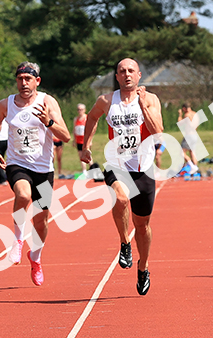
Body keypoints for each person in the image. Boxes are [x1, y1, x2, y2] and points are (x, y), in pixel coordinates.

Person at [80, 58, 163, 295]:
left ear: (138, 75)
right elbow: (92, 117)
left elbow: (158, 133)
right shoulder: (106, 101)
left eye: (131, 71)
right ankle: (124, 242)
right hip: (117, 165)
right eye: (122, 71)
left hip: (143, 169)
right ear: (116, 76)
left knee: (143, 225)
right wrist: (86, 146)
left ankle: (143, 266)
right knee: (121, 198)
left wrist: (143, 106)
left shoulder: (151, 99)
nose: (126, 74)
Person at [0, 62, 70, 286]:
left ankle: (35, 257)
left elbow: (65, 136)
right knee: (23, 195)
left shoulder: (47, 102)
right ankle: (17, 241)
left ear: (37, 81)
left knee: (41, 222)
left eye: (28, 79)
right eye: (20, 79)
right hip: (17, 164)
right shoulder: (6, 104)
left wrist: (48, 122)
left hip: (43, 169)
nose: (24, 83)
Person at [177, 103, 199, 174]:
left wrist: (180, 114)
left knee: (181, 153)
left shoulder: (187, 115)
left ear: (184, 108)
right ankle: (195, 168)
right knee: (192, 152)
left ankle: (192, 166)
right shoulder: (195, 114)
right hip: (194, 135)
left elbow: (180, 123)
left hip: (189, 135)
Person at [73, 103, 88, 173]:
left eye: (81, 110)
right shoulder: (76, 119)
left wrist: (90, 140)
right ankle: (84, 171)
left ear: (84, 110)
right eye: (78, 110)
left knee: (87, 156)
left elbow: (90, 130)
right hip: (78, 140)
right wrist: (74, 140)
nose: (79, 111)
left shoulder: (87, 118)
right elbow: (74, 130)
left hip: (85, 140)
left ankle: (93, 169)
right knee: (81, 156)